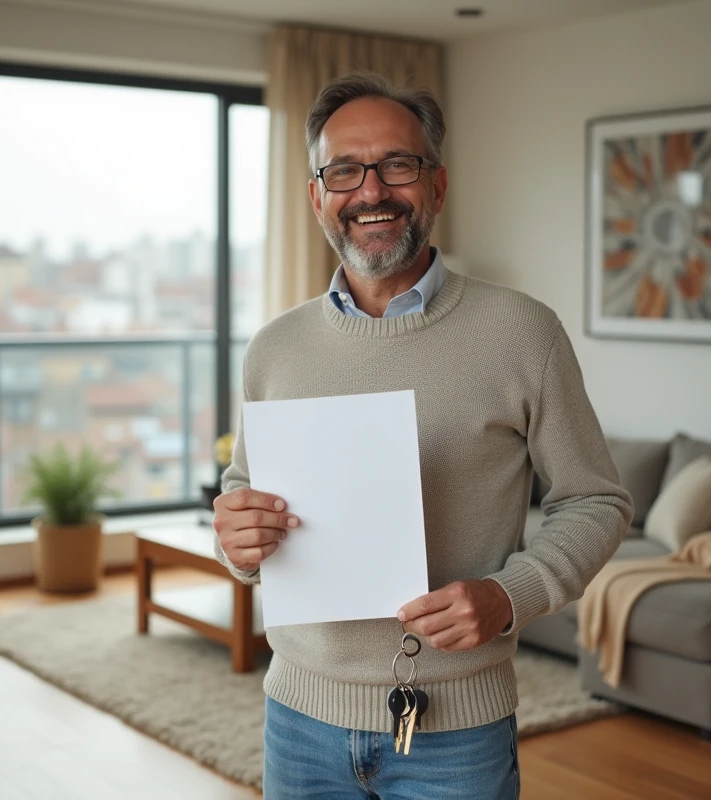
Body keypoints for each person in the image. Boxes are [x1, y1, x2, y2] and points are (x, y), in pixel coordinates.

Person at [212, 72, 632, 799]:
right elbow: (246, 493)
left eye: (397, 165)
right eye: (344, 170)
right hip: (298, 721)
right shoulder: (273, 348)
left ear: (437, 186)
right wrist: (238, 538)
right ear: (318, 196)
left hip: (458, 731)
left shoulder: (523, 332)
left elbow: (596, 500)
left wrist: (510, 595)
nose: (371, 190)